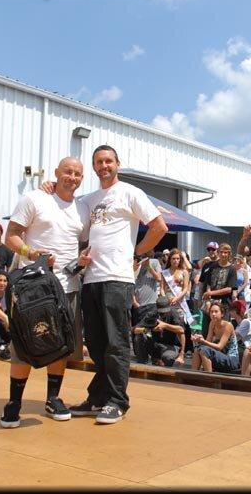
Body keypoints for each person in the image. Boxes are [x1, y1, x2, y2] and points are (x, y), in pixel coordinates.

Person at [68, 145, 167, 425]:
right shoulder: (88, 200)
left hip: (117, 279)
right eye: (99, 162)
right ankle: (99, 398)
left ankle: (117, 401)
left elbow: (159, 227)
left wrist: (136, 254)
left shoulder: (130, 192)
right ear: (94, 167)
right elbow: (65, 208)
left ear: (117, 164)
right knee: (97, 344)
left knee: (117, 343)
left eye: (108, 161)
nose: (104, 166)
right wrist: (50, 187)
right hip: (91, 280)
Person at [0, 156, 90, 428]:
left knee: (61, 345)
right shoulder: (34, 199)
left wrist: (81, 262)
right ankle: (14, 402)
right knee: (24, 344)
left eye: (77, 173)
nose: (72, 177)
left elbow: (83, 243)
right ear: (56, 173)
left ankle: (53, 399)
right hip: (34, 288)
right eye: (67, 172)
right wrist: (31, 252)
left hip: (67, 287)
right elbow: (11, 235)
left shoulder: (83, 208)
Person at [132, 296, 186, 367]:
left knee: (167, 357)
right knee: (139, 337)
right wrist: (148, 329)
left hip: (170, 346)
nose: (163, 314)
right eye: (161, 312)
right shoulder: (152, 314)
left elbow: (181, 330)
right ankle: (142, 364)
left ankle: (166, 369)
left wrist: (165, 325)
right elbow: (135, 330)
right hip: (155, 344)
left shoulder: (173, 313)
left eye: (165, 311)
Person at [190, 301, 239, 373]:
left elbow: (219, 346)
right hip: (220, 356)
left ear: (222, 314)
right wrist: (199, 339)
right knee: (198, 349)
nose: (213, 314)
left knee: (204, 350)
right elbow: (207, 342)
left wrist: (204, 341)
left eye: (216, 312)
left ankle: (209, 379)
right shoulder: (212, 324)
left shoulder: (228, 326)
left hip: (231, 359)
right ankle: (192, 376)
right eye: (211, 312)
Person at [132, 250, 162, 356]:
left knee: (144, 331)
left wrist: (149, 266)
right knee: (139, 333)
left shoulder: (154, 262)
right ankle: (141, 357)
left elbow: (159, 278)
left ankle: (152, 356)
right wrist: (134, 302)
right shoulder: (135, 264)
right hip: (138, 305)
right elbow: (130, 283)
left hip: (151, 304)